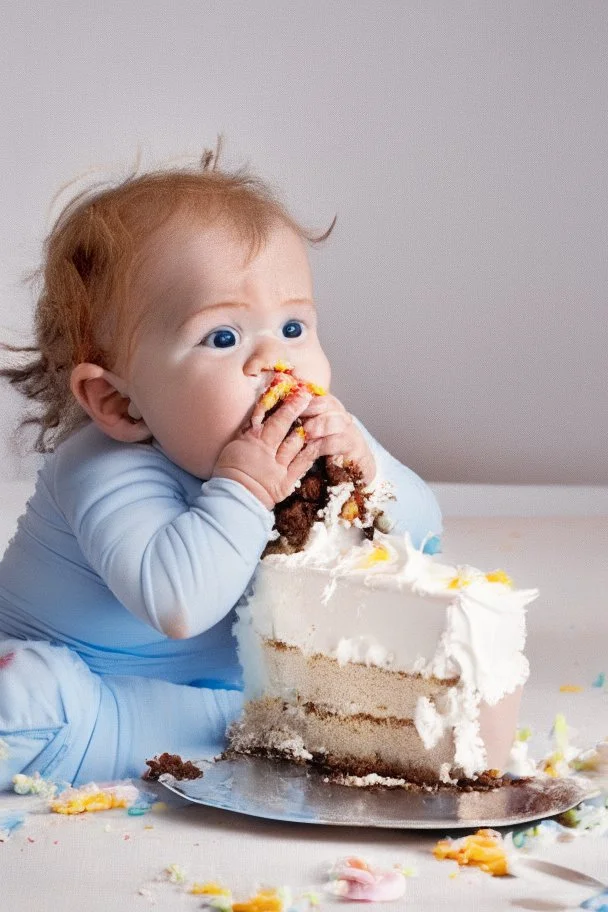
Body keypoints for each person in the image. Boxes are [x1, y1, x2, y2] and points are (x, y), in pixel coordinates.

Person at [0, 147, 442, 790]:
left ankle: (251, 726)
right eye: (224, 338)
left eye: (294, 326)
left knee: (380, 671)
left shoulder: (318, 436)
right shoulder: (103, 467)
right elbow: (179, 605)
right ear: (119, 402)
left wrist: (366, 471)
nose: (274, 359)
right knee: (25, 706)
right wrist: (242, 487)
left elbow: (422, 535)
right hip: (87, 685)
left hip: (235, 685)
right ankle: (231, 733)